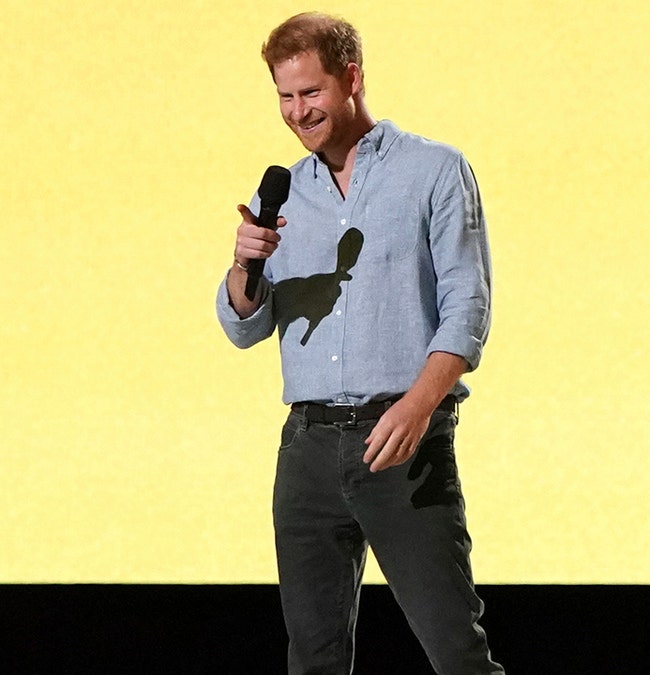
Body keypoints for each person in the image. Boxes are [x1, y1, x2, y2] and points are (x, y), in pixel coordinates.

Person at [215, 12, 504, 675]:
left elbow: (468, 303)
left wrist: (419, 404)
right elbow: (244, 326)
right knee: (312, 660)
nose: (297, 112)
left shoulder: (433, 170)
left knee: (457, 652)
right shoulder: (283, 193)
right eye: (285, 98)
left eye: (310, 93)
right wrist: (242, 266)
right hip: (307, 450)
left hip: (401, 444)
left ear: (352, 78)